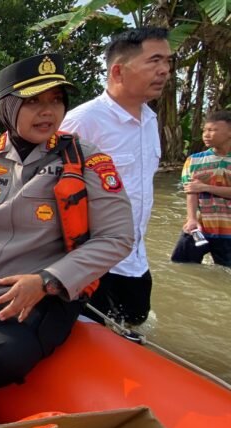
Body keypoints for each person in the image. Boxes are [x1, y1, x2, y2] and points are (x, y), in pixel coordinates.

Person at [0, 53, 134, 390]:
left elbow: (118, 237)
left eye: (56, 100)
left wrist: (46, 280)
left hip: (38, 297)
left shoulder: (88, 162)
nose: (48, 111)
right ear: (7, 106)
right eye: (33, 101)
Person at [61, 27, 171, 325]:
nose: (164, 71)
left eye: (168, 62)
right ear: (119, 71)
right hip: (93, 262)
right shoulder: (83, 121)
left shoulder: (149, 120)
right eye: (155, 61)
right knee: (90, 334)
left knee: (135, 323)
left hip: (135, 259)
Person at [171, 110, 231, 267]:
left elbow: (199, 187)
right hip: (199, 227)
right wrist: (191, 219)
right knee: (181, 267)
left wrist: (205, 187)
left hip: (228, 231)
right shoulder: (194, 160)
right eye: (205, 130)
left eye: (212, 130)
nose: (206, 134)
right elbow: (191, 191)